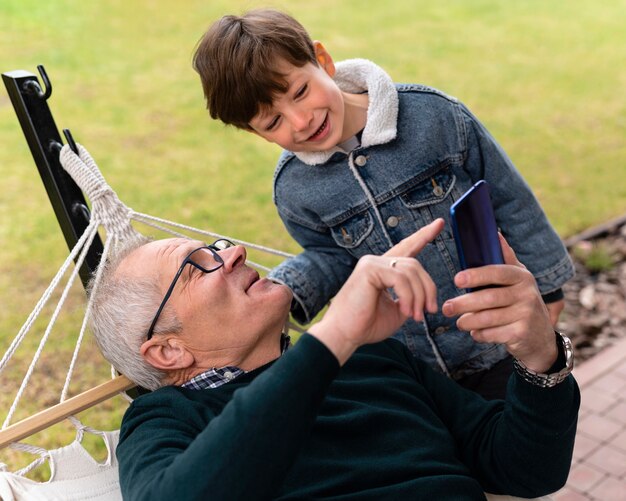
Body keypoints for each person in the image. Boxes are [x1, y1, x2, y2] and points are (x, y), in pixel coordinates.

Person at [191, 9, 575, 398]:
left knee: (520, 445)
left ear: (322, 61)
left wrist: (547, 292)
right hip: (412, 367)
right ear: (254, 132)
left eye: (300, 92)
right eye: (273, 123)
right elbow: (333, 256)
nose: (300, 121)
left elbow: (511, 201)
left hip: (493, 339)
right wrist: (287, 287)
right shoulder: (293, 189)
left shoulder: (435, 117)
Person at [89, 220, 579, 500]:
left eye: (217, 247)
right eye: (198, 267)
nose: (235, 251)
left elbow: (527, 470)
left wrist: (539, 356)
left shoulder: (371, 356)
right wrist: (335, 335)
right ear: (168, 350)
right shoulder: (164, 420)